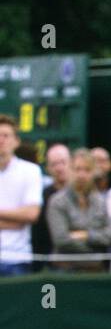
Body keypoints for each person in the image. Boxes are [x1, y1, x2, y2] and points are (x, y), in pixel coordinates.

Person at [46, 148, 111, 272]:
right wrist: (95, 248)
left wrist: (86, 235)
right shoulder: (57, 201)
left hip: (97, 270)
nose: (81, 175)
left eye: (87, 170)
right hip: (65, 270)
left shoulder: (100, 201)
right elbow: (61, 239)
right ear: (69, 170)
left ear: (94, 172)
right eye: (77, 169)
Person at [0, 114, 45, 276]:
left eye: (6, 136)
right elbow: (21, 218)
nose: (1, 140)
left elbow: (31, 214)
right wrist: (15, 219)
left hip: (17, 260)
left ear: (16, 141)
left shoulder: (31, 171)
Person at [31, 142, 74, 269]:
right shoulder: (41, 197)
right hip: (50, 264)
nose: (59, 168)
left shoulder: (83, 195)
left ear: (71, 163)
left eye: (63, 162)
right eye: (54, 164)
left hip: (80, 261)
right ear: (48, 168)